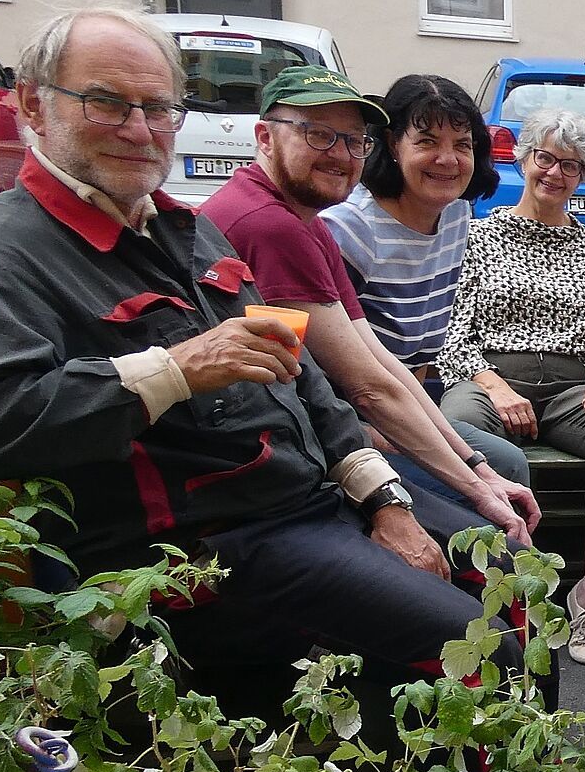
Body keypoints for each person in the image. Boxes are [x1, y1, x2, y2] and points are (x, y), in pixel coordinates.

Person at [0, 4, 484, 690]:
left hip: (309, 507)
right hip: (204, 554)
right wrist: (174, 370)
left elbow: (306, 378)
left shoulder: (184, 227)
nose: (139, 129)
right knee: (475, 644)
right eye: (107, 103)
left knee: (504, 570)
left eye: (159, 108)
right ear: (34, 107)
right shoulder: (0, 257)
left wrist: (383, 499)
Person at [201, 66, 538, 548]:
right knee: (489, 541)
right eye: (318, 136)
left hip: (326, 422)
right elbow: (363, 386)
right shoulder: (282, 225)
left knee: (496, 468)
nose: (340, 154)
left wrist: (475, 467)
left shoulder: (306, 221)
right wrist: (477, 488)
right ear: (265, 138)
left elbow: (380, 361)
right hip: (282, 453)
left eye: (352, 139)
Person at [437, 110, 585, 666]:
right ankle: (499, 593)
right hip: (489, 377)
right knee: (458, 422)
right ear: (523, 158)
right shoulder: (476, 236)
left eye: (572, 166)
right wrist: (494, 384)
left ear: (584, 177)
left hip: (569, 389)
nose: (556, 173)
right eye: (546, 158)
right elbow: (453, 333)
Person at [319, 73, 533, 490]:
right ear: (392, 146)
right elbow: (331, 374)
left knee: (506, 464)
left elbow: (416, 363)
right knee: (492, 479)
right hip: (343, 424)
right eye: (427, 141)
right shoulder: (352, 230)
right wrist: (390, 443)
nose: (448, 159)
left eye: (463, 144)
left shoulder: (455, 215)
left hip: (403, 407)